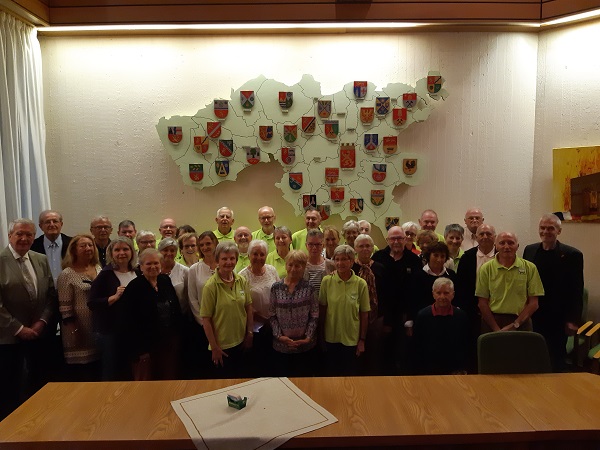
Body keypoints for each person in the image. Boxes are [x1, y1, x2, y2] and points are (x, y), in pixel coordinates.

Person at [0, 219, 57, 421]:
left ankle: (37, 423)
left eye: (29, 235)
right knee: (9, 388)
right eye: (19, 234)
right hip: (8, 339)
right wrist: (19, 328)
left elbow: (51, 294)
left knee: (37, 383)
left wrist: (42, 322)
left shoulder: (40, 259)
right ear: (10, 235)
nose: (24, 238)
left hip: (38, 334)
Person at [523, 213, 584, 372]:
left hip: (558, 317)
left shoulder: (572, 255)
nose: (545, 231)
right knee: (532, 355)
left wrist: (573, 319)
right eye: (542, 228)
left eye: (550, 228)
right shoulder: (529, 251)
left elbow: (576, 290)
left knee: (556, 359)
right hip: (533, 314)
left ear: (559, 231)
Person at [120, 248, 182, 380]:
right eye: (148, 264)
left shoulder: (165, 280)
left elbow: (175, 308)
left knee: (168, 379)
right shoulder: (134, 287)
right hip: (145, 347)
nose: (153, 267)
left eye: (156, 263)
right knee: (147, 384)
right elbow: (127, 320)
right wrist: (138, 350)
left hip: (168, 343)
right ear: (141, 266)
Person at [372, 226, 422, 373]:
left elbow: (416, 291)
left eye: (399, 238)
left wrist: (411, 319)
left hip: (405, 317)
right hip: (383, 316)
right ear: (387, 240)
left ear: (405, 239)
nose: (396, 241)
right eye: (393, 238)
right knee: (382, 355)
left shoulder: (414, 260)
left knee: (403, 354)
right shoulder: (378, 257)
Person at [200, 241, 253, 378]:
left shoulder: (241, 280)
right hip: (221, 347)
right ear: (217, 260)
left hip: (241, 342)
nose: (228, 262)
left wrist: (250, 333)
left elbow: (248, 307)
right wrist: (215, 347)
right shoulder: (210, 286)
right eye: (224, 259)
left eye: (232, 258)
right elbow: (206, 320)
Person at [88, 236, 138, 380]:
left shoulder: (138, 272)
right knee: (111, 370)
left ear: (132, 252)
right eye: (117, 250)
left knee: (131, 369)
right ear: (111, 253)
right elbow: (92, 303)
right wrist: (114, 297)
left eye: (125, 249)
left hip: (133, 330)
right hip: (110, 331)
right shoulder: (105, 274)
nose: (121, 253)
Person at [476, 232, 544, 333]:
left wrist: (515, 325)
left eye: (511, 243)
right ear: (496, 246)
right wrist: (496, 330)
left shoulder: (530, 268)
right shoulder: (486, 269)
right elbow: (482, 303)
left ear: (517, 246)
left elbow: (534, 303)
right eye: (502, 243)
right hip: (492, 322)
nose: (506, 247)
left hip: (521, 322)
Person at [319, 245, 370, 376]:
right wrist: (321, 337)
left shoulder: (360, 284)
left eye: (344, 259)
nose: (340, 263)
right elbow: (322, 310)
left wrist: (362, 340)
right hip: (331, 338)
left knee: (350, 376)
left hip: (352, 339)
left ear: (352, 261)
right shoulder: (327, 281)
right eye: (337, 259)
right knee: (331, 376)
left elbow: (364, 313)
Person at [57, 234, 101, 381]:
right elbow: (65, 307)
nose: (88, 248)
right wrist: (74, 330)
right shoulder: (67, 274)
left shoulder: (98, 268)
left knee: (98, 372)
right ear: (74, 250)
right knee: (83, 375)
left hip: (98, 328)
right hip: (78, 329)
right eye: (83, 246)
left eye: (90, 245)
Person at [269, 250, 319, 377]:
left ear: (303, 267)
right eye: (290, 264)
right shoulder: (276, 287)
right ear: (286, 265)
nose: (293, 268)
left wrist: (307, 337)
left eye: (297, 265)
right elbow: (272, 315)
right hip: (281, 347)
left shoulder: (310, 288)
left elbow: (314, 315)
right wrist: (280, 336)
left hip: (305, 346)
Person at [455, 224, 496, 371]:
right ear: (476, 237)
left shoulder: (502, 254)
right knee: (473, 346)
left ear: (494, 237)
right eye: (482, 234)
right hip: (472, 311)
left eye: (489, 234)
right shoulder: (467, 257)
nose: (485, 237)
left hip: (497, 310)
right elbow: (461, 286)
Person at [412, 278, 469, 375]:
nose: (442, 297)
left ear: (453, 294)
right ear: (433, 294)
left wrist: (463, 368)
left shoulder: (461, 316)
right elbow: (417, 346)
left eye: (446, 293)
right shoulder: (423, 316)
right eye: (438, 293)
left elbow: (465, 345)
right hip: (428, 369)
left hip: (454, 370)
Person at [239, 240, 279, 375]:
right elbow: (243, 305)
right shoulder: (242, 276)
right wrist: (264, 320)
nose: (258, 257)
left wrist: (273, 320)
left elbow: (279, 293)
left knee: (273, 365)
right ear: (249, 255)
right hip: (255, 328)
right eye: (255, 254)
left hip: (274, 326)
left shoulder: (272, 270)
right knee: (257, 365)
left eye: (262, 254)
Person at [352, 234, 386, 375]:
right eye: (361, 246)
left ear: (373, 248)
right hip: (354, 318)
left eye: (368, 246)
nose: (365, 249)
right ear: (355, 248)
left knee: (373, 352)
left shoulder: (380, 268)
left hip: (376, 317)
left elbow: (386, 294)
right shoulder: (351, 268)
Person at [187, 231, 219, 378]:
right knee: (209, 362)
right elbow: (193, 298)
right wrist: (203, 321)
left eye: (208, 243)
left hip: (224, 322)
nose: (205, 247)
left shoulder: (225, 263)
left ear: (215, 243)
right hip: (204, 324)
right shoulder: (194, 269)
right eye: (202, 245)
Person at [410, 242, 457, 327]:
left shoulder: (452, 275)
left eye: (442, 256)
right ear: (429, 256)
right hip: (424, 320)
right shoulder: (418, 275)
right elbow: (412, 300)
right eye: (435, 255)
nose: (439, 259)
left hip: (448, 319)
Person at [31, 210, 72, 284]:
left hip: (69, 289)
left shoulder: (73, 244)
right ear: (41, 226)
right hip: (44, 292)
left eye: (55, 221)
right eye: (47, 222)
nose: (52, 224)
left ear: (61, 224)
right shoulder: (32, 246)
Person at [158, 238, 189, 317]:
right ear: (159, 251)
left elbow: (189, 296)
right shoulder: (154, 270)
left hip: (181, 315)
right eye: (165, 250)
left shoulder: (185, 271)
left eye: (172, 251)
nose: (169, 253)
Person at [304, 228, 335, 296]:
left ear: (323, 245)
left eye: (318, 244)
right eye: (311, 244)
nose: (314, 248)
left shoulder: (331, 265)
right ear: (306, 245)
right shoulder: (301, 265)